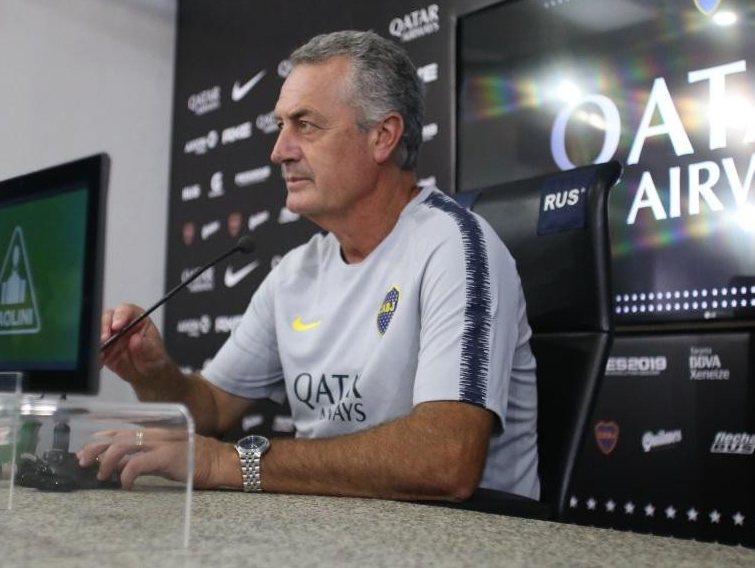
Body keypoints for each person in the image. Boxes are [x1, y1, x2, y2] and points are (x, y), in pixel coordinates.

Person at [83, 30, 539, 501]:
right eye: (280, 126)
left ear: (382, 136)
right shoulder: (295, 272)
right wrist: (151, 374)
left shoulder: (455, 247)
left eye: (305, 124)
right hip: (328, 531)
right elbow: (212, 408)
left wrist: (227, 461)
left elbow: (445, 461)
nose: (279, 151)